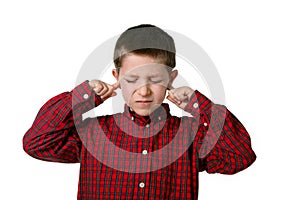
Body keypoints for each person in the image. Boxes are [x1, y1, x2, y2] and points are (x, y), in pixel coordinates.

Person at [23, 24, 256, 200]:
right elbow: (37, 143)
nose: (143, 90)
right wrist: (82, 97)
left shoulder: (191, 134)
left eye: (155, 79)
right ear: (117, 78)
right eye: (132, 79)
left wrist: (200, 105)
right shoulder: (93, 132)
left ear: (171, 79)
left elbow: (239, 157)